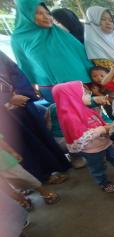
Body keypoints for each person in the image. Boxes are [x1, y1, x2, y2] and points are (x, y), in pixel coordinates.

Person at [0, 51, 70, 185]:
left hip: (22, 102)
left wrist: (20, 93)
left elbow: (15, 71)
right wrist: (8, 98)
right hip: (4, 114)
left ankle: (57, 166)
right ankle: (42, 176)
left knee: (40, 134)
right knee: (21, 143)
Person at [52, 81, 114, 193]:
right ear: (73, 97)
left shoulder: (83, 107)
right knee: (97, 167)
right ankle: (103, 182)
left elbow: (98, 118)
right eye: (86, 94)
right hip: (91, 150)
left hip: (104, 142)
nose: (90, 96)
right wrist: (103, 129)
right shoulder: (70, 117)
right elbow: (81, 138)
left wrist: (105, 125)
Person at [11, 0, 93, 103]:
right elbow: (24, 65)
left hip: (82, 83)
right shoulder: (18, 39)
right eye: (39, 13)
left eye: (47, 13)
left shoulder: (57, 32)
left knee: (93, 116)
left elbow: (81, 53)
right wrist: (31, 86)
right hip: (50, 87)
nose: (47, 17)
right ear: (26, 15)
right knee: (69, 117)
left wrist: (95, 77)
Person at [0, 135, 60, 210]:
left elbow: (2, 142)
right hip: (4, 161)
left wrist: (12, 152)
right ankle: (21, 200)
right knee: (4, 187)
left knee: (24, 177)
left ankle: (43, 193)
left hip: (4, 161)